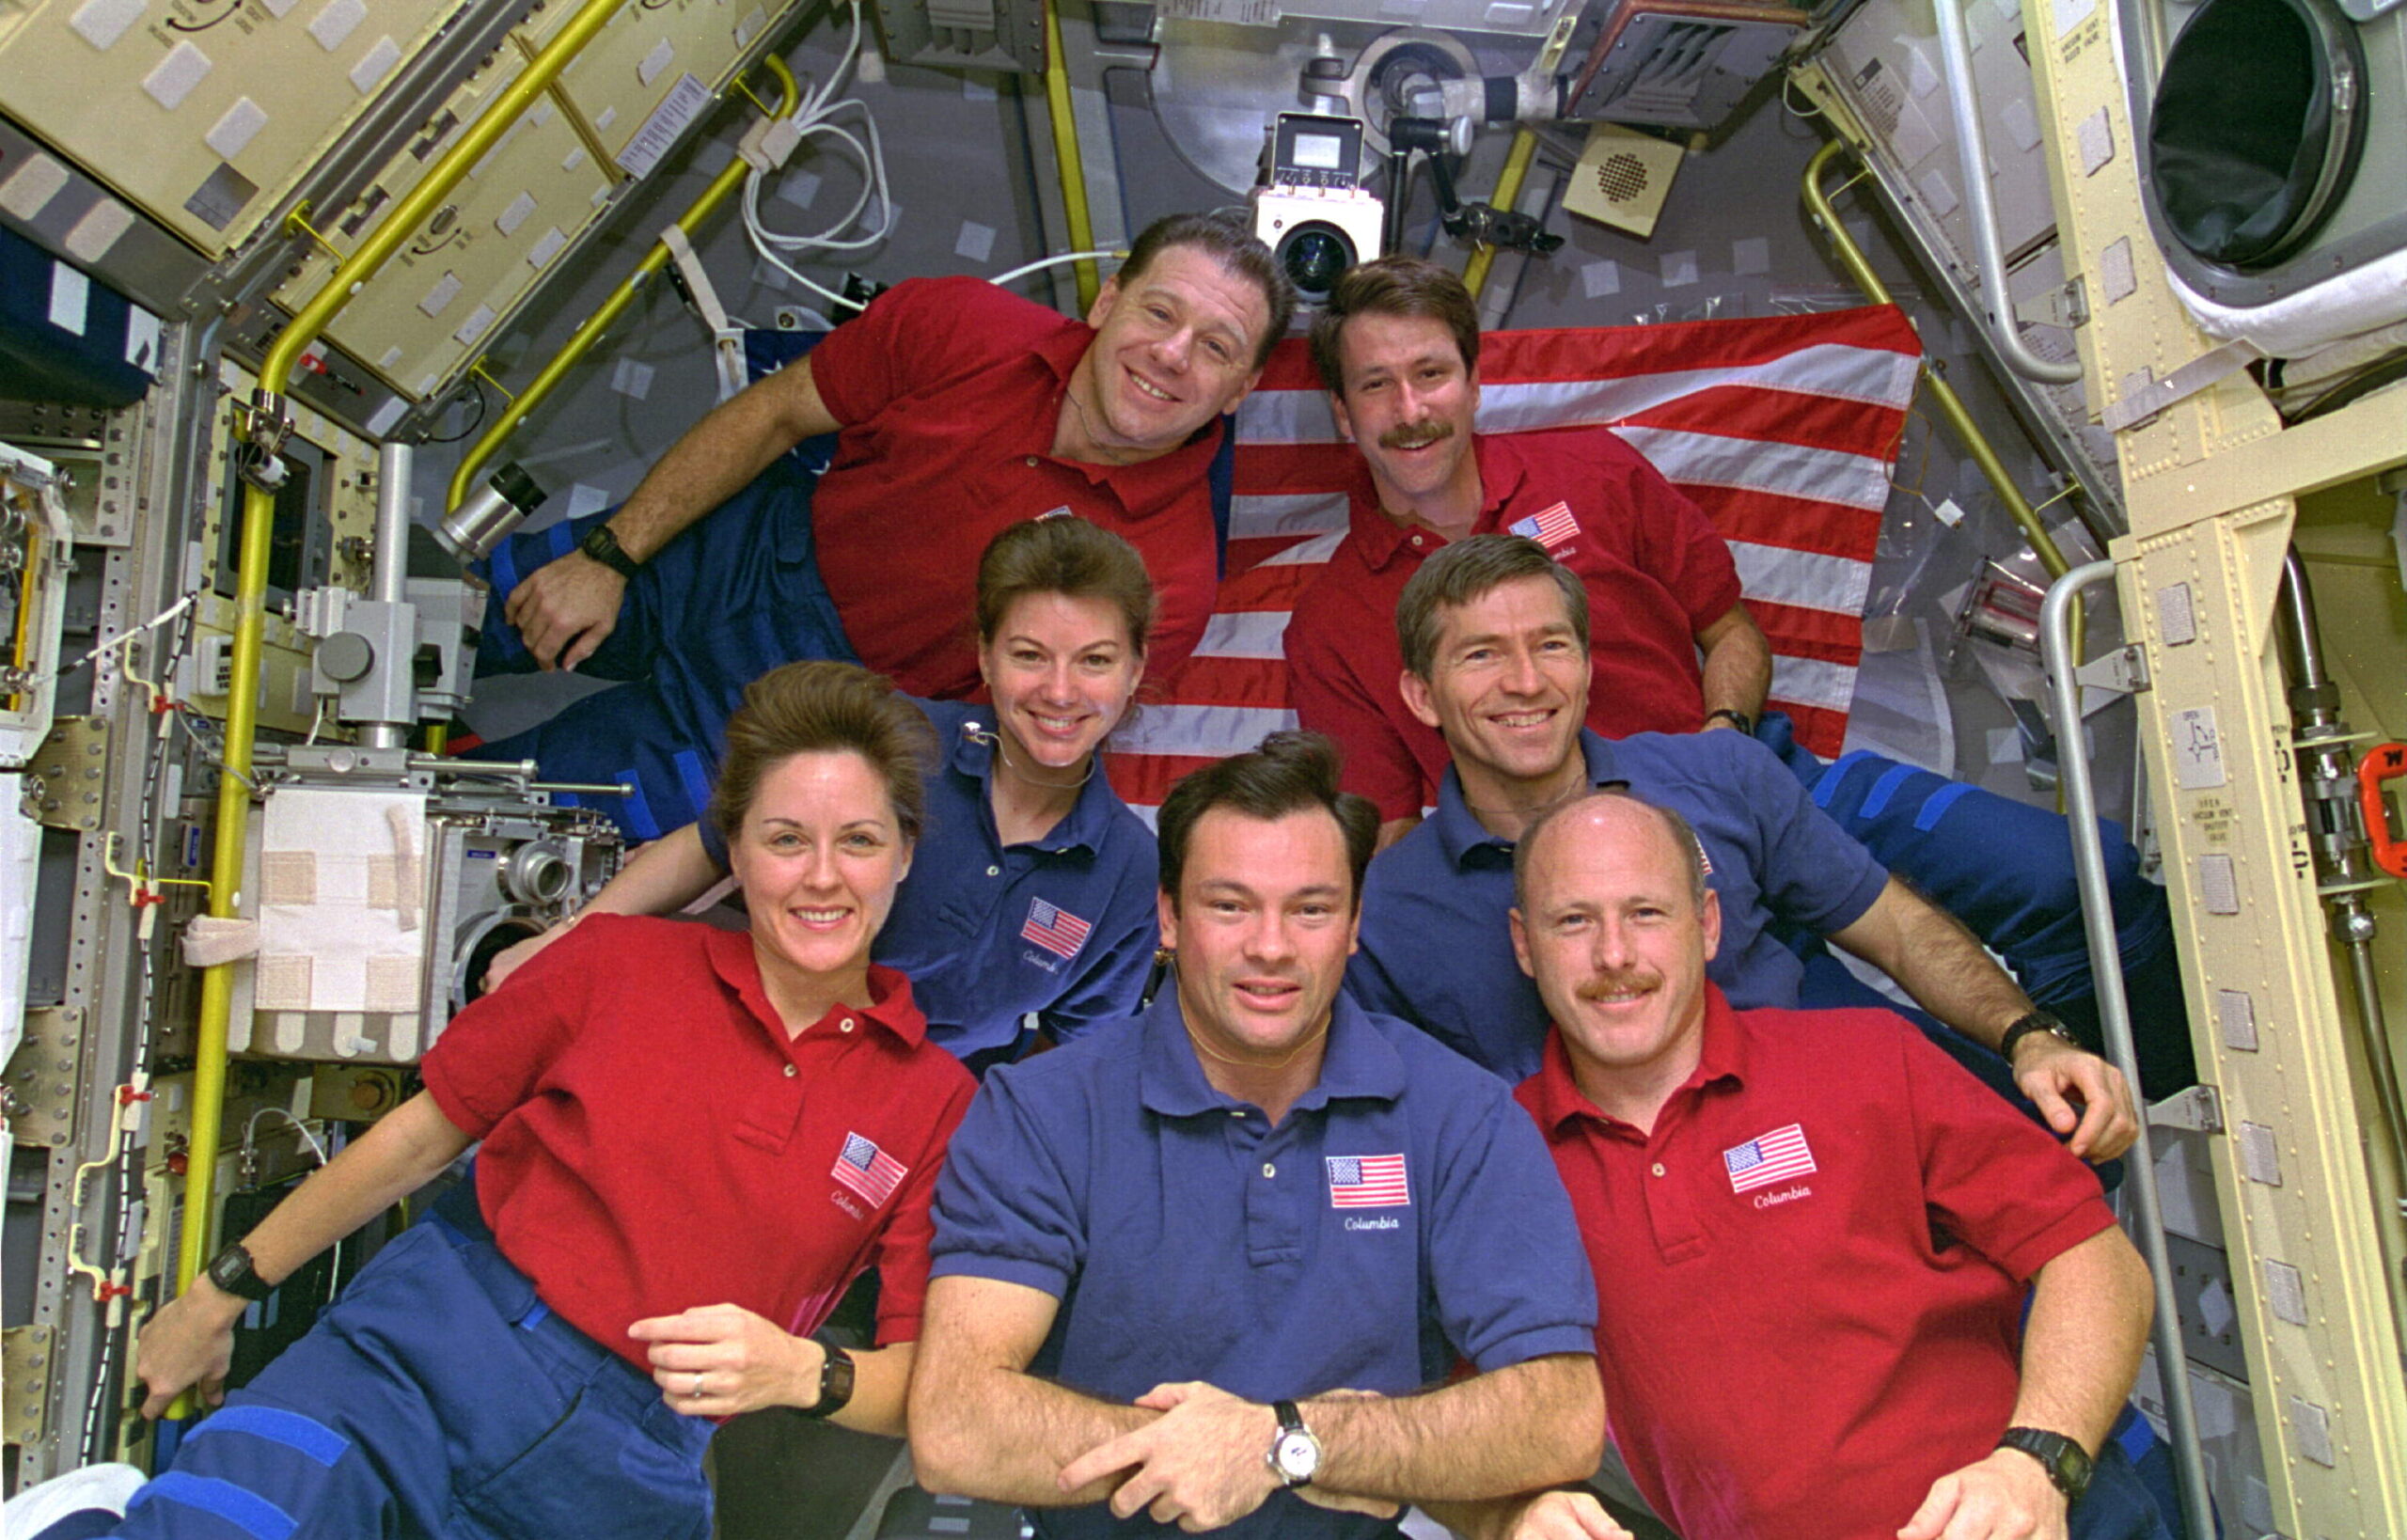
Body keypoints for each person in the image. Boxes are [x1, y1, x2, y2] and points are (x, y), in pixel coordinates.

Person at [63, 664, 975, 1540]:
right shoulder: (615, 963)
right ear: (733, 852)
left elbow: (925, 1391)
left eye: (857, 840)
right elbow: (417, 1141)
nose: (822, 876)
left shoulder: (936, 1104)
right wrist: (217, 1296)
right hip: (420, 1357)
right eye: (785, 839)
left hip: (627, 1473)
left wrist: (800, 1372)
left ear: (902, 855)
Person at [1287, 258, 2192, 1097]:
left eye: (1432, 375)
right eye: (1376, 386)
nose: (1410, 409)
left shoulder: (1593, 472)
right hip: (1610, 876)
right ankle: (2060, 1140)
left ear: (1475, 382)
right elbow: (1395, 830)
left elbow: (1733, 632)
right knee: (1937, 1103)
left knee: (2086, 876)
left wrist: (1723, 738)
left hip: (1759, 781)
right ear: (1342, 413)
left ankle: (2142, 1107)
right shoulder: (1332, 623)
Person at [908, 732, 1606, 1539]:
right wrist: (1221, 1451)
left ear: (1353, 924)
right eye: (1229, 905)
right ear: (1168, 915)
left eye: (1310, 909)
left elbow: (1559, 1412)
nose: (1270, 947)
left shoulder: (1459, 1114)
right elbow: (958, 1423)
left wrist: (1284, 1441)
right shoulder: (1041, 1112)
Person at [467, 212, 1293, 840]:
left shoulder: (1169, 584)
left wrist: (817, 794)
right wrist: (610, 556)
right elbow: (776, 414)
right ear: (1109, 299)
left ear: (1242, 388)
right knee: (436, 625)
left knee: (497, 816)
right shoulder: (961, 328)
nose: (1172, 355)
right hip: (727, 553)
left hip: (815, 717)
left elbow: (1007, 746)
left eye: (1216, 347)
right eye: (1158, 312)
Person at [1481, 788, 2166, 1540]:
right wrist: (1507, 1511)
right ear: (1523, 944)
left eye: (1647, 913)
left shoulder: (1868, 1060)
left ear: (1707, 925)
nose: (1614, 956)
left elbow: (2096, 1261)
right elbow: (1447, 1408)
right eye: (1573, 921)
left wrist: (2037, 1463)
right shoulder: (1494, 1158)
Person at [1349, 535, 2140, 1163]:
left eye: (1551, 646)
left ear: (1588, 667)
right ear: (1423, 694)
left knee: (2048, 1169)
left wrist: (2028, 1037)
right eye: (1482, 655)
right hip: (1629, 1227)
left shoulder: (1720, 773)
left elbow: (1896, 929)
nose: (1526, 682)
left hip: (1844, 1132)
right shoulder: (1388, 916)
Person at [483, 517, 1165, 1074]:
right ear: (985, 657)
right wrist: (566, 942)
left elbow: (1082, 1062)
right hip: (734, 1053)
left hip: (896, 1151)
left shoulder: (1128, 870)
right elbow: (708, 845)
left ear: (1134, 671)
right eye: (1028, 655)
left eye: (1095, 661)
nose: (1060, 691)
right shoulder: (893, 737)